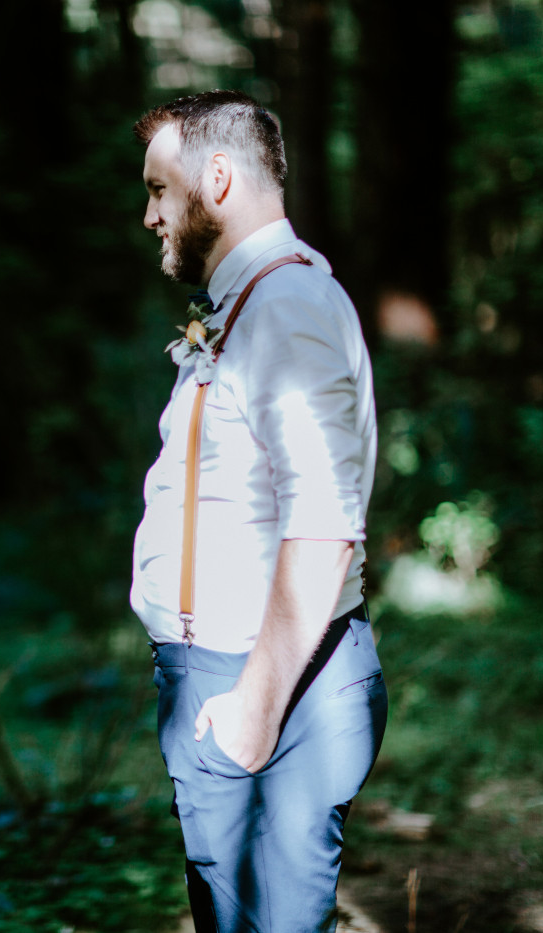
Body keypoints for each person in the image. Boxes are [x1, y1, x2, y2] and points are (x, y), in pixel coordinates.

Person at [129, 90, 385, 932]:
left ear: (218, 177)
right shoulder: (253, 303)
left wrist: (252, 709)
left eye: (160, 190)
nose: (149, 215)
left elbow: (323, 525)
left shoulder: (287, 306)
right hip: (229, 674)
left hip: (264, 681)